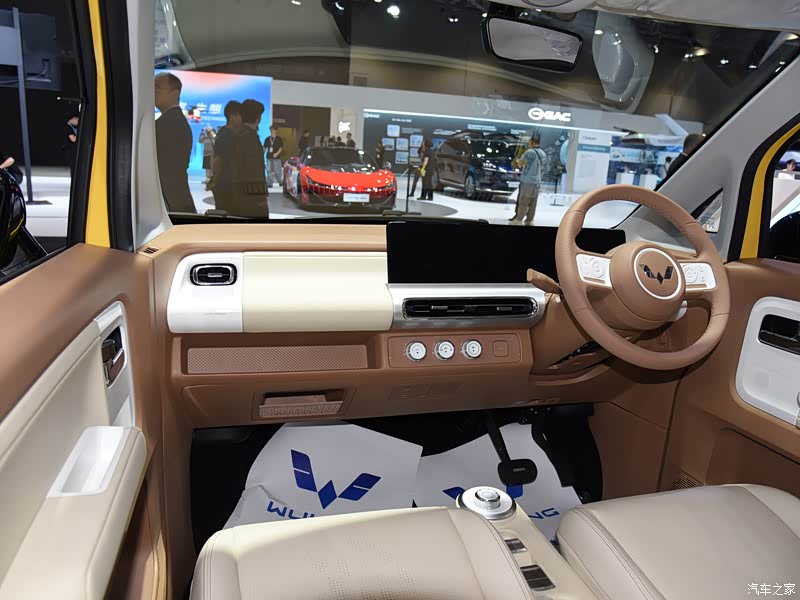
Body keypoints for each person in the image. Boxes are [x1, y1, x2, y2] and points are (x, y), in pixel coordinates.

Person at [154, 72, 196, 213]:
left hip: (170, 201)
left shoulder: (170, 123)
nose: (153, 91)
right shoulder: (172, 120)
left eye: (158, 87)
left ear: (175, 93)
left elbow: (167, 170)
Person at [230, 99, 268, 217]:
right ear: (258, 118)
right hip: (251, 201)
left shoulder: (236, 135)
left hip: (237, 195)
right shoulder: (250, 138)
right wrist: (260, 200)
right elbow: (254, 171)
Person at [211, 100, 242, 212]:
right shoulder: (224, 134)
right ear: (232, 116)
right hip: (225, 184)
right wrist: (215, 181)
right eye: (240, 115)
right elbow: (218, 160)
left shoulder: (238, 134)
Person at [510, 134, 546, 225]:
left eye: (529, 142)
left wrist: (517, 160)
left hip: (527, 180)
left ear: (532, 142)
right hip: (537, 180)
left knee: (524, 200)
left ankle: (518, 219)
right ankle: (530, 220)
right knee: (533, 201)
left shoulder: (529, 152)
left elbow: (520, 164)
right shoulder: (542, 153)